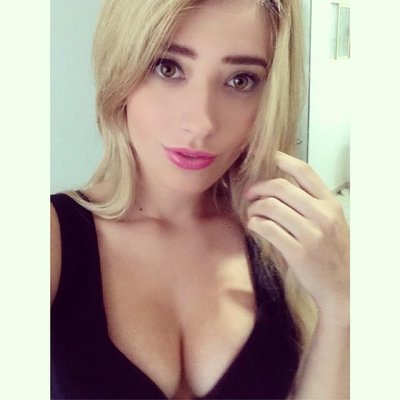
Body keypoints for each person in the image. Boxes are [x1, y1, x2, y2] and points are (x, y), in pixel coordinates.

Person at [51, 0, 350, 398]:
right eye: (167, 67)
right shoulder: (49, 239)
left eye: (241, 80)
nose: (202, 122)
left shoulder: (282, 242)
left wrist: (341, 308)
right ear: (120, 68)